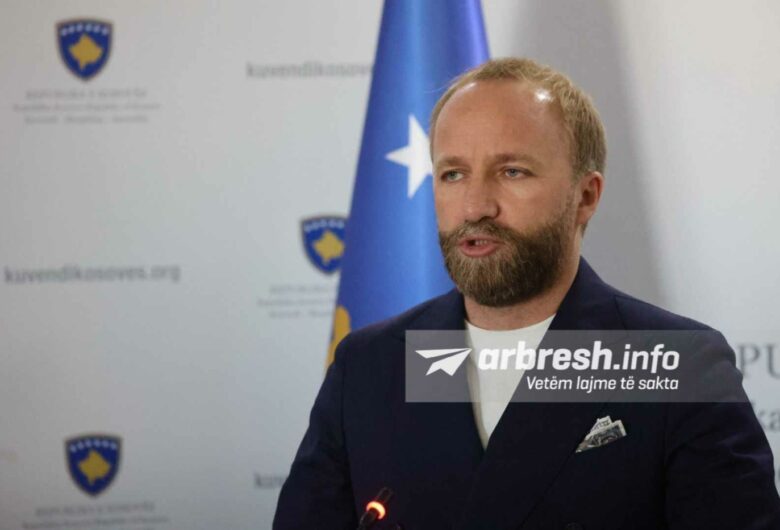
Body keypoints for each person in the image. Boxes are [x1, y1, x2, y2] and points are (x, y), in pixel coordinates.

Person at [274, 58, 780, 529]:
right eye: (453, 174)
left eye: (511, 171)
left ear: (586, 196)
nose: (475, 205)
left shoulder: (677, 366)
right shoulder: (369, 366)